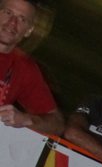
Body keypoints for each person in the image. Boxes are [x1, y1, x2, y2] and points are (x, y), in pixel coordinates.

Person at [0, 0, 63, 135]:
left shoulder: (23, 67)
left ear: (29, 31)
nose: (12, 22)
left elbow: (57, 123)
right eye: (8, 12)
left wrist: (25, 119)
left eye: (22, 19)